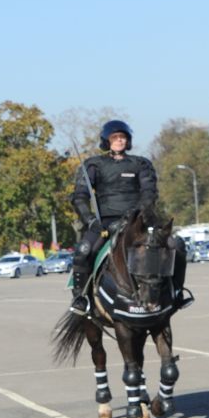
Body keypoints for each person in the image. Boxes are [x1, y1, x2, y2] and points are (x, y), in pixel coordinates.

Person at [69, 120, 158, 313]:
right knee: (84, 250)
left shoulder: (141, 164)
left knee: (172, 245)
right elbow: (80, 196)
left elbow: (149, 193)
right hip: (104, 223)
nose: (119, 141)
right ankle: (81, 298)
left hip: (137, 220)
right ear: (106, 141)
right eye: (115, 137)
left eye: (123, 137)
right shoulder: (93, 165)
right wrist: (90, 220)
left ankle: (175, 292)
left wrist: (136, 216)